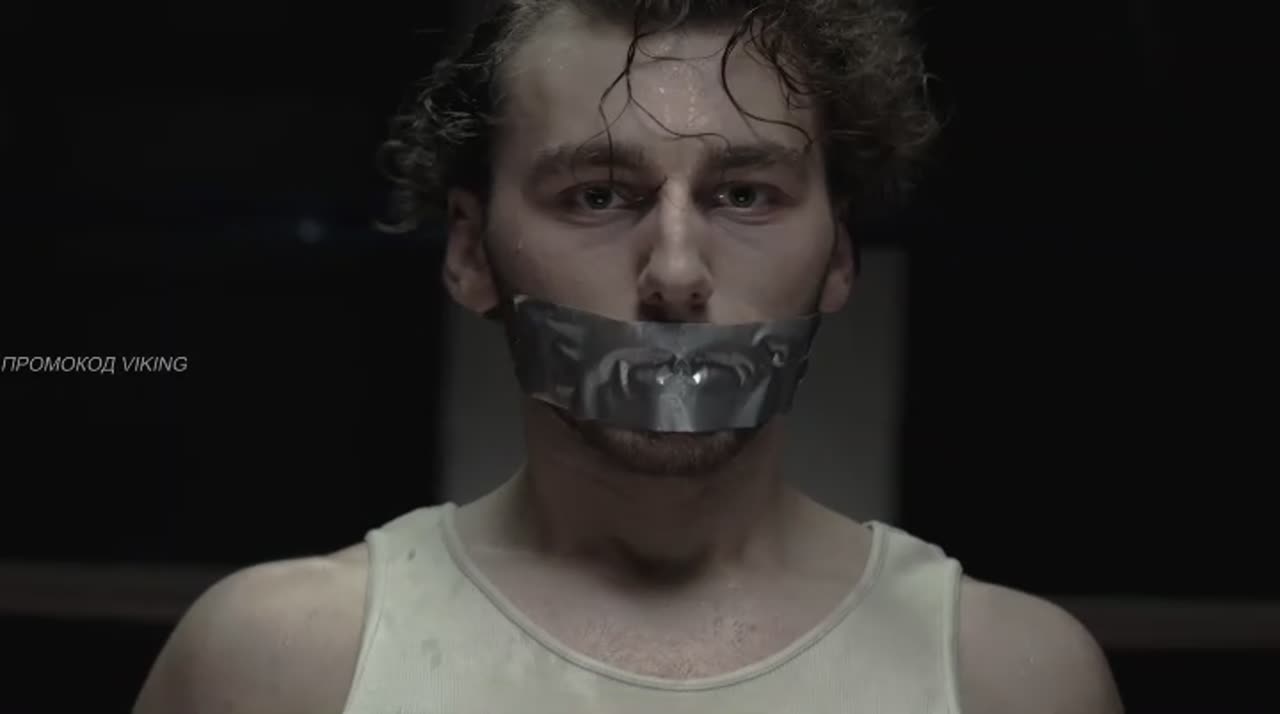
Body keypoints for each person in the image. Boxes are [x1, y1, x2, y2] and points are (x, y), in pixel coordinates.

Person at [134, 1, 1124, 712]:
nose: (676, 273)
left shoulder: (1009, 679)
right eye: (598, 195)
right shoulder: (278, 667)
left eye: (745, 195)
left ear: (839, 256)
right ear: (471, 253)